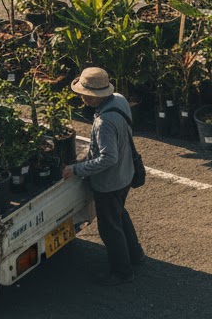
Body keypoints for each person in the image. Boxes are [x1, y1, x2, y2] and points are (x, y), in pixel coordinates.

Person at [62, 67, 144, 284]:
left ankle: (122, 272)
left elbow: (108, 158)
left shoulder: (104, 122)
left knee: (109, 228)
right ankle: (135, 254)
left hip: (110, 182)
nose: (81, 97)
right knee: (119, 214)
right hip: (126, 173)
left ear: (91, 96)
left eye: (83, 94)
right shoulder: (119, 100)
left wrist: (77, 169)